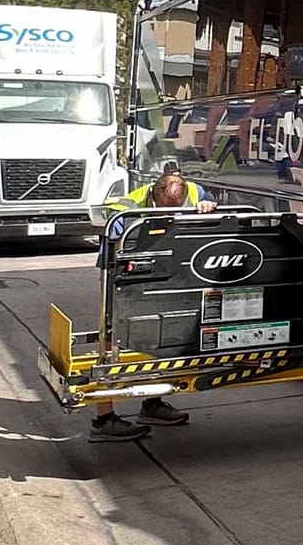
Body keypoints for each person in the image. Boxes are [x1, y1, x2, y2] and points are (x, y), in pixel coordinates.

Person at [92, 162, 217, 442]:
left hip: (169, 269)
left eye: (176, 207)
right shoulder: (128, 206)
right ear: (154, 195)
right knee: (111, 337)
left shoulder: (194, 192)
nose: (171, 214)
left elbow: (214, 206)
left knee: (163, 337)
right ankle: (103, 420)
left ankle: (153, 404)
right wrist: (112, 295)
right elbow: (110, 253)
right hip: (131, 270)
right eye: (165, 209)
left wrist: (209, 207)